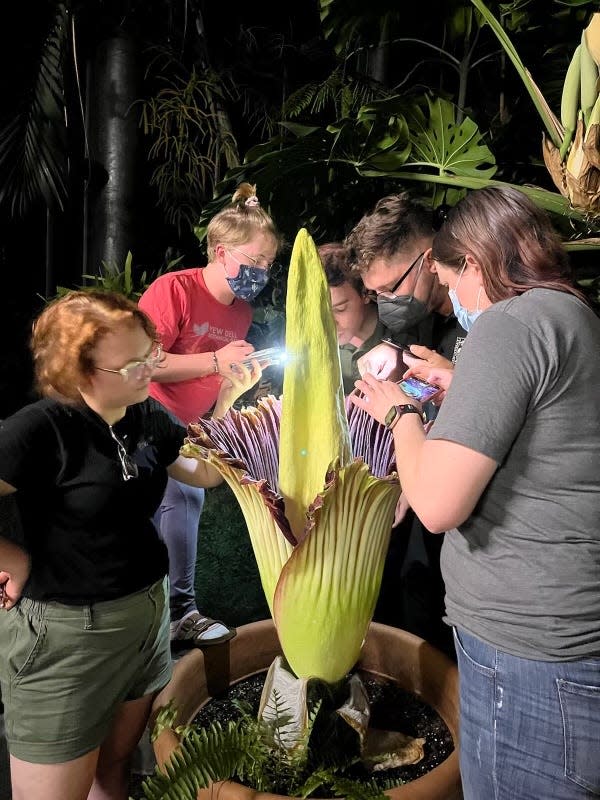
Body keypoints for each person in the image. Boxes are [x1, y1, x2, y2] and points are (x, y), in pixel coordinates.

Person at [351, 186, 600, 799]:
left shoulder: (507, 325)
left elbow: (436, 505)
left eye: (447, 273)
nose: (448, 291)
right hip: (564, 634)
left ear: (477, 263)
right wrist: (458, 379)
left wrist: (399, 412)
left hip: (529, 652)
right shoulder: (568, 311)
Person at [0, 290, 259, 800]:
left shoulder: (144, 417)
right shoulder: (40, 429)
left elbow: (202, 473)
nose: (150, 370)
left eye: (151, 355)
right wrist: (15, 560)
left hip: (145, 618)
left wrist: (229, 401)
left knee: (114, 767)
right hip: (69, 635)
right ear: (78, 371)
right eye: (133, 364)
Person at [138, 183, 281, 649]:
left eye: (268, 264)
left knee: (185, 503)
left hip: (194, 426)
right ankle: (166, 613)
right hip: (148, 418)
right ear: (221, 252)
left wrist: (233, 385)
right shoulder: (173, 290)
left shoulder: (241, 311)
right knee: (159, 507)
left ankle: (179, 612)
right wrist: (216, 362)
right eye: (254, 260)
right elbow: (143, 363)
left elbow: (221, 377)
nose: (261, 272)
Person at [343, 193, 466, 654]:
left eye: (392, 288)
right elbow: (421, 396)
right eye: (377, 295)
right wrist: (391, 362)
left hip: (463, 505)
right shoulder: (416, 322)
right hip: (423, 491)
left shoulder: (483, 322)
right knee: (416, 593)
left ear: (430, 258)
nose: (386, 303)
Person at [319, 242, 393, 394]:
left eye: (339, 309)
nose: (329, 324)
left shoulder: (405, 332)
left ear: (365, 293)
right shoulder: (323, 352)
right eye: (319, 314)